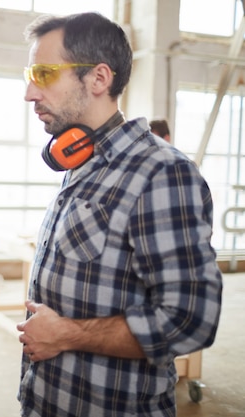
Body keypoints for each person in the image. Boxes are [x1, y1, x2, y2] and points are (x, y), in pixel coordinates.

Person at [16, 12, 222, 417]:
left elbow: (191, 318)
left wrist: (66, 335)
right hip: (49, 400)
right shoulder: (81, 161)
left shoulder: (160, 173)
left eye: (43, 74)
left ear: (98, 79)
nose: (29, 93)